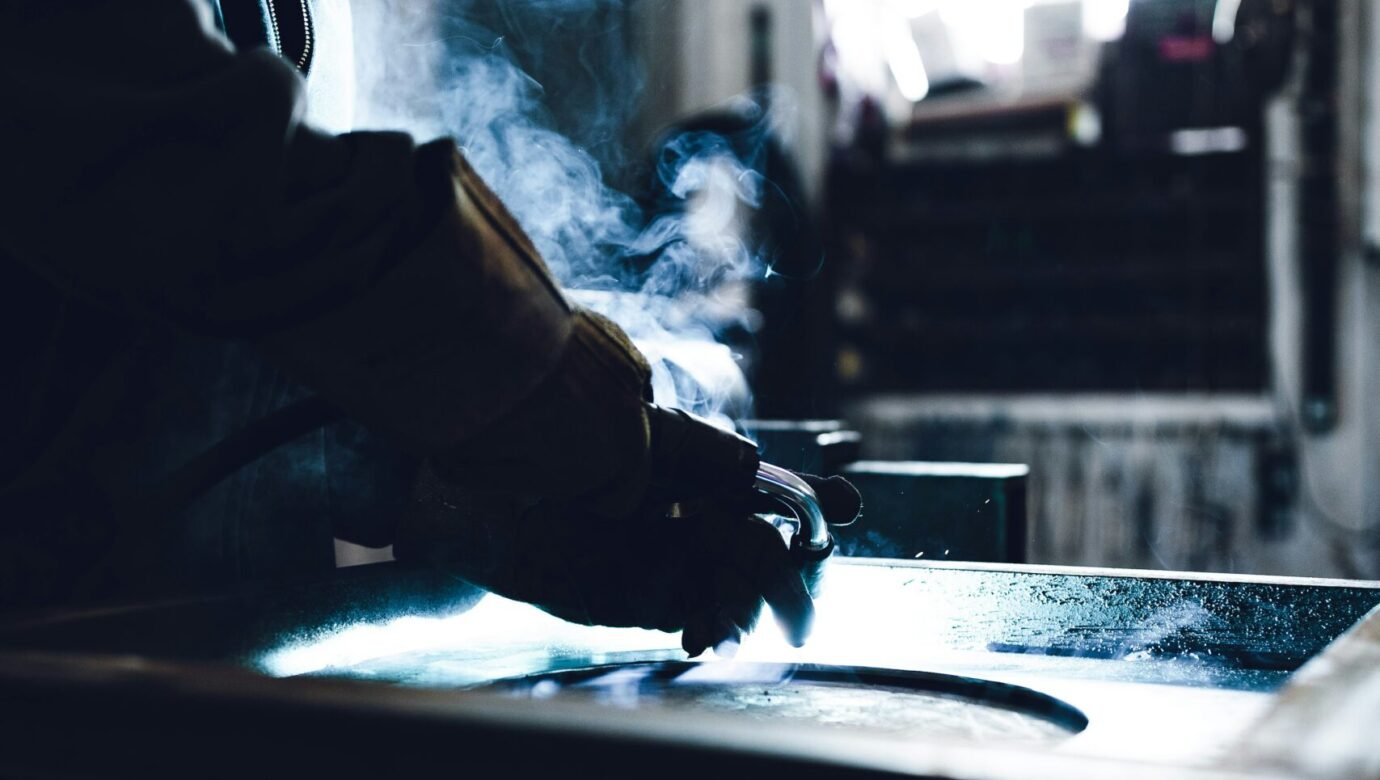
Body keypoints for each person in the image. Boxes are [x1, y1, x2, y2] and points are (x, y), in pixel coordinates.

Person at [0, 0, 859, 656]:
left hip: (108, 644)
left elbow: (154, 308)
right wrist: (565, 401)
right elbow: (208, 173)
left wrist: (437, 484)